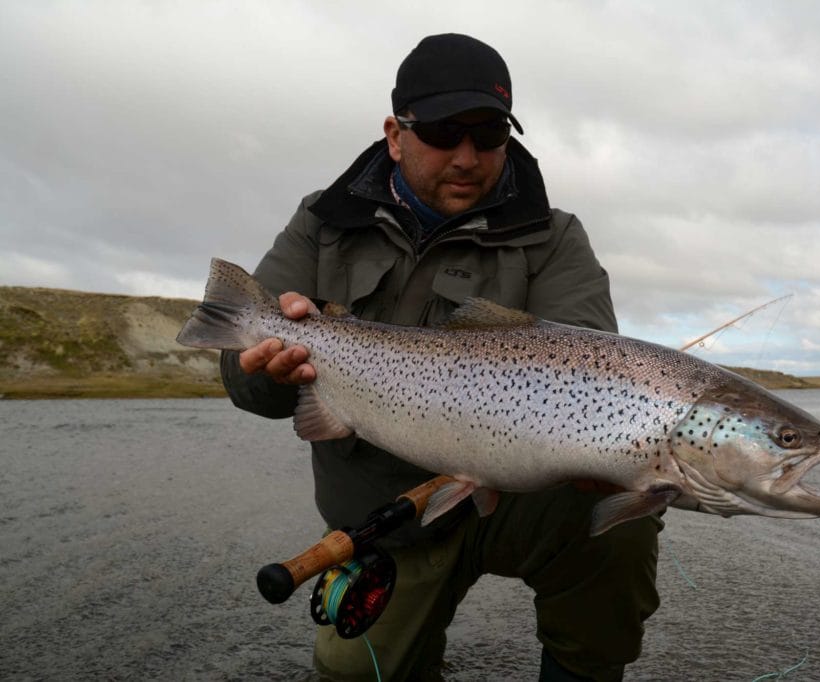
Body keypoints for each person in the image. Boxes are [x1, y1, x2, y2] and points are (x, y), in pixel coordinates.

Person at [221, 33, 661, 682]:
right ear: (395, 134)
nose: (467, 155)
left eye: (487, 135)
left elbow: (593, 370)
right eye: (444, 132)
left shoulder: (554, 236)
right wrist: (265, 369)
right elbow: (243, 383)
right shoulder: (323, 221)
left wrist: (623, 453)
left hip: (521, 495)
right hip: (384, 514)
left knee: (619, 529)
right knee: (354, 672)